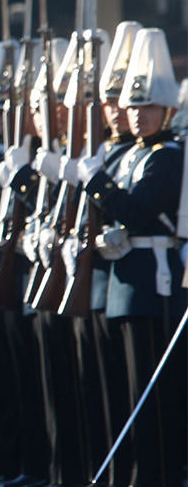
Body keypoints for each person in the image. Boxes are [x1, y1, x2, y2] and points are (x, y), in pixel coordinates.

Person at [77, 27, 188, 486]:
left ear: (168, 110)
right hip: (123, 280)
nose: (137, 115)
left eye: (147, 107)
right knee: (122, 393)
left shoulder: (167, 156)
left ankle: (155, 475)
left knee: (152, 393)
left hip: (152, 282)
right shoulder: (128, 155)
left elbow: (138, 212)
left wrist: (96, 183)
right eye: (134, 106)